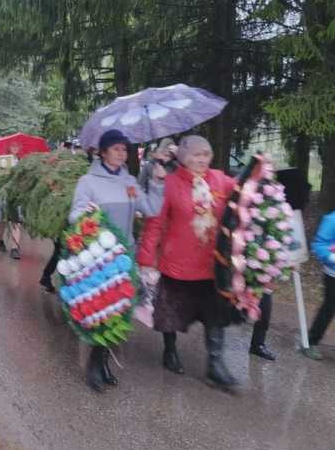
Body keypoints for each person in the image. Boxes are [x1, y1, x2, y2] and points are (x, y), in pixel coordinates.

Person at [138, 135, 238, 388]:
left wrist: (260, 173)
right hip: (177, 263)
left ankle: (215, 364)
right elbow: (155, 224)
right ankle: (170, 350)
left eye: (206, 154)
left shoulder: (220, 180)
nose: (202, 159)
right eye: (196, 154)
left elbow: (244, 194)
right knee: (171, 312)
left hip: (212, 264)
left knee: (214, 313)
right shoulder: (170, 183)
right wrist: (146, 258)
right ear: (183, 157)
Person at [69, 129, 165, 392]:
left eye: (125, 149)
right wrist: (85, 212)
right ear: (103, 152)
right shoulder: (88, 182)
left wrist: (157, 181)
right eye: (116, 149)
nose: (122, 154)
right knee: (101, 311)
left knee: (118, 313)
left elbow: (151, 209)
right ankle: (94, 365)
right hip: (99, 259)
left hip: (125, 257)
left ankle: (103, 362)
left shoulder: (129, 181)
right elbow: (74, 215)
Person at [301, 210, 335, 360]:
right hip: (333, 274)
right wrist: (332, 257)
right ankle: (312, 341)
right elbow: (319, 245)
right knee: (329, 308)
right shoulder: (332, 219)